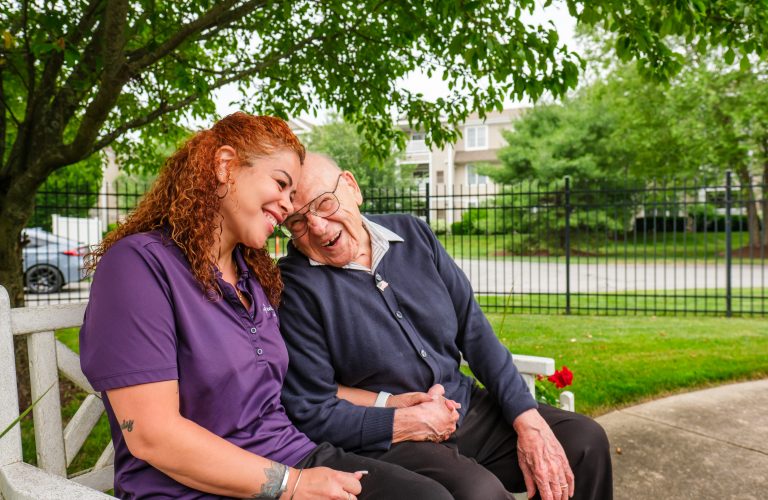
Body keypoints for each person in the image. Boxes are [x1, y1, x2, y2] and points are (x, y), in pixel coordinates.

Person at [79, 114, 453, 500]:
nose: (288, 205)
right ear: (225, 166)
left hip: (296, 457)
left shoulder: (252, 278)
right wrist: (291, 486)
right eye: (280, 184)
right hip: (195, 489)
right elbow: (151, 435)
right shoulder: (139, 265)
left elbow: (294, 389)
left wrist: (388, 403)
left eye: (292, 195)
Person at [278, 153, 613, 500]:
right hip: (391, 436)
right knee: (480, 494)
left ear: (352, 187)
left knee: (583, 442)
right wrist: (403, 419)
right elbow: (312, 409)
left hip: (464, 408)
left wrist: (525, 417)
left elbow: (474, 329)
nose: (316, 226)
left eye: (324, 204)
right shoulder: (296, 287)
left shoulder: (411, 233)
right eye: (298, 221)